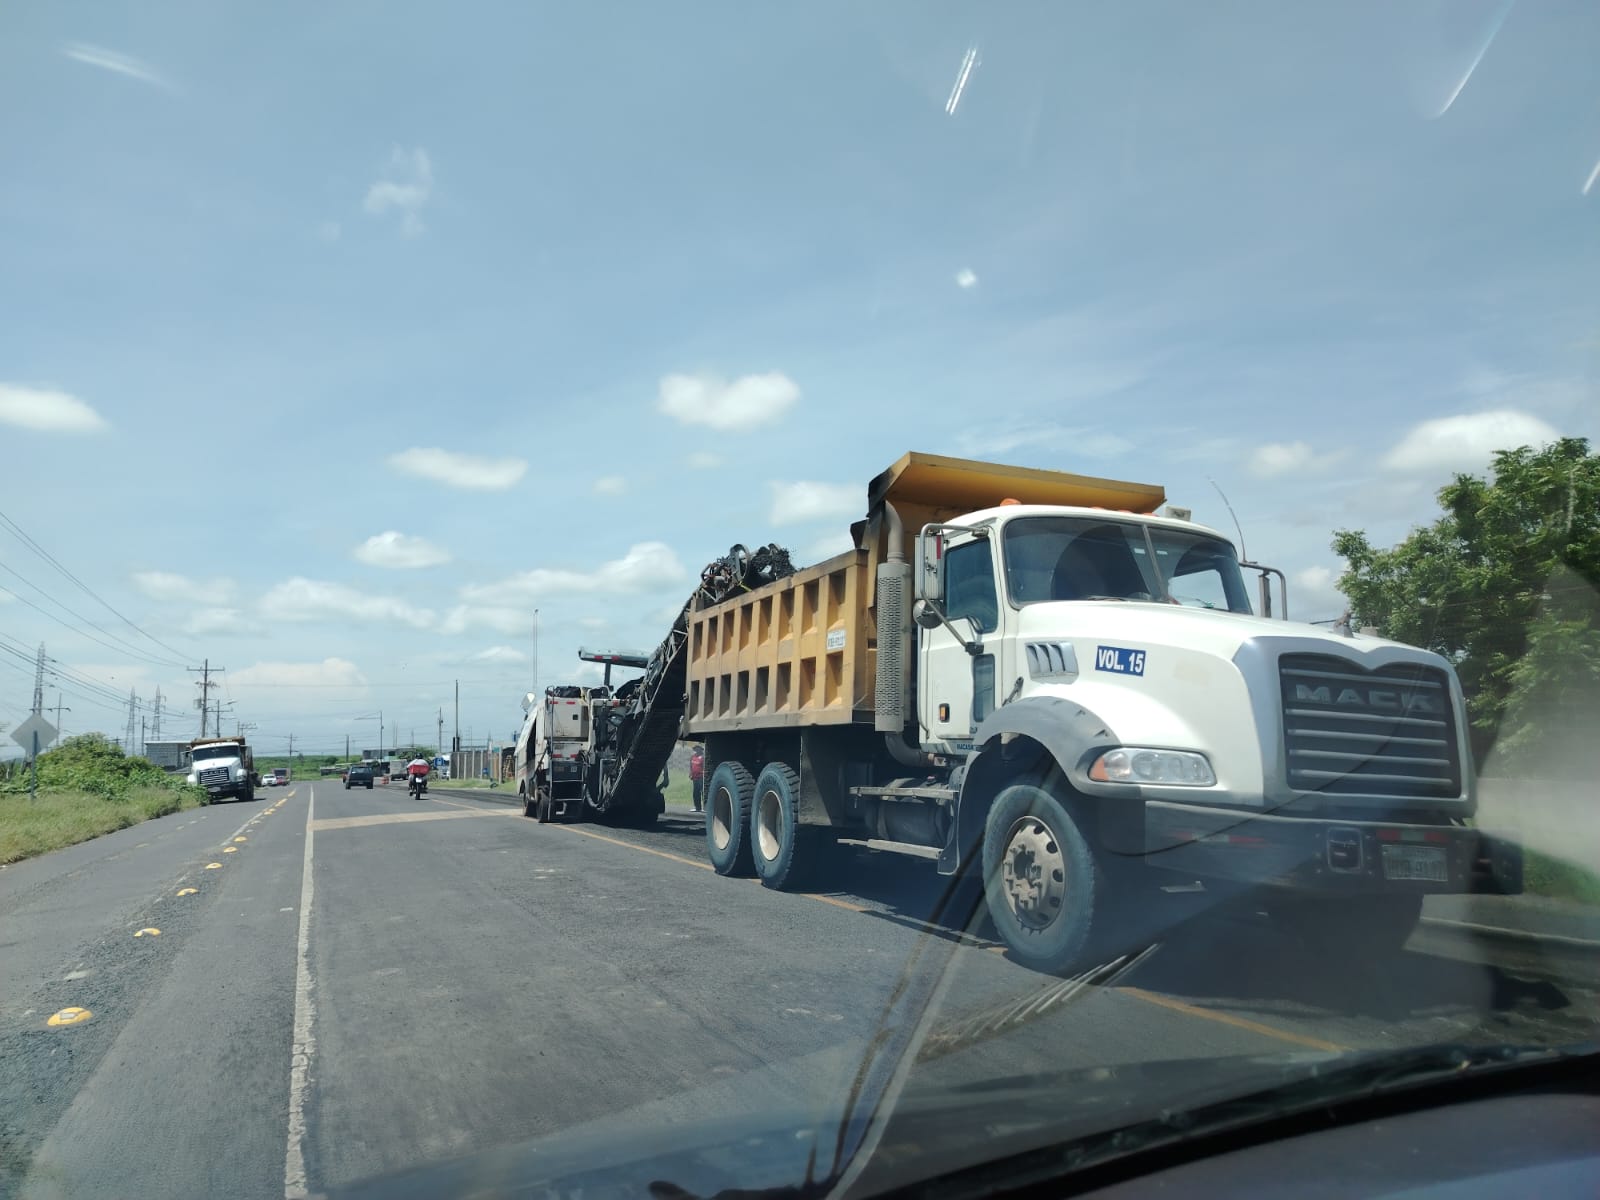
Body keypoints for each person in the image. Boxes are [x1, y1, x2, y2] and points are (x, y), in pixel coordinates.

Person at [690, 745, 705, 812]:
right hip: (694, 777)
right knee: (695, 793)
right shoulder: (692, 756)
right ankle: (697, 807)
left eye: (698, 749)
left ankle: (704, 807)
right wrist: (690, 773)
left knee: (702, 792)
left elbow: (704, 767)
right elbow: (691, 766)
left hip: (701, 777)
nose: (697, 750)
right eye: (696, 749)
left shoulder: (703, 757)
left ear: (701, 749)